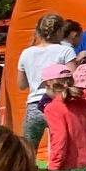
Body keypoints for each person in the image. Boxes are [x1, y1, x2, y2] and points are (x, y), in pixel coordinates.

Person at [18, 14, 77, 146]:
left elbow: (21, 85)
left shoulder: (26, 53)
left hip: (34, 106)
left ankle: (27, 167)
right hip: (59, 103)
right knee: (60, 146)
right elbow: (74, 80)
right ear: (59, 31)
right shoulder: (66, 51)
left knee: (28, 148)